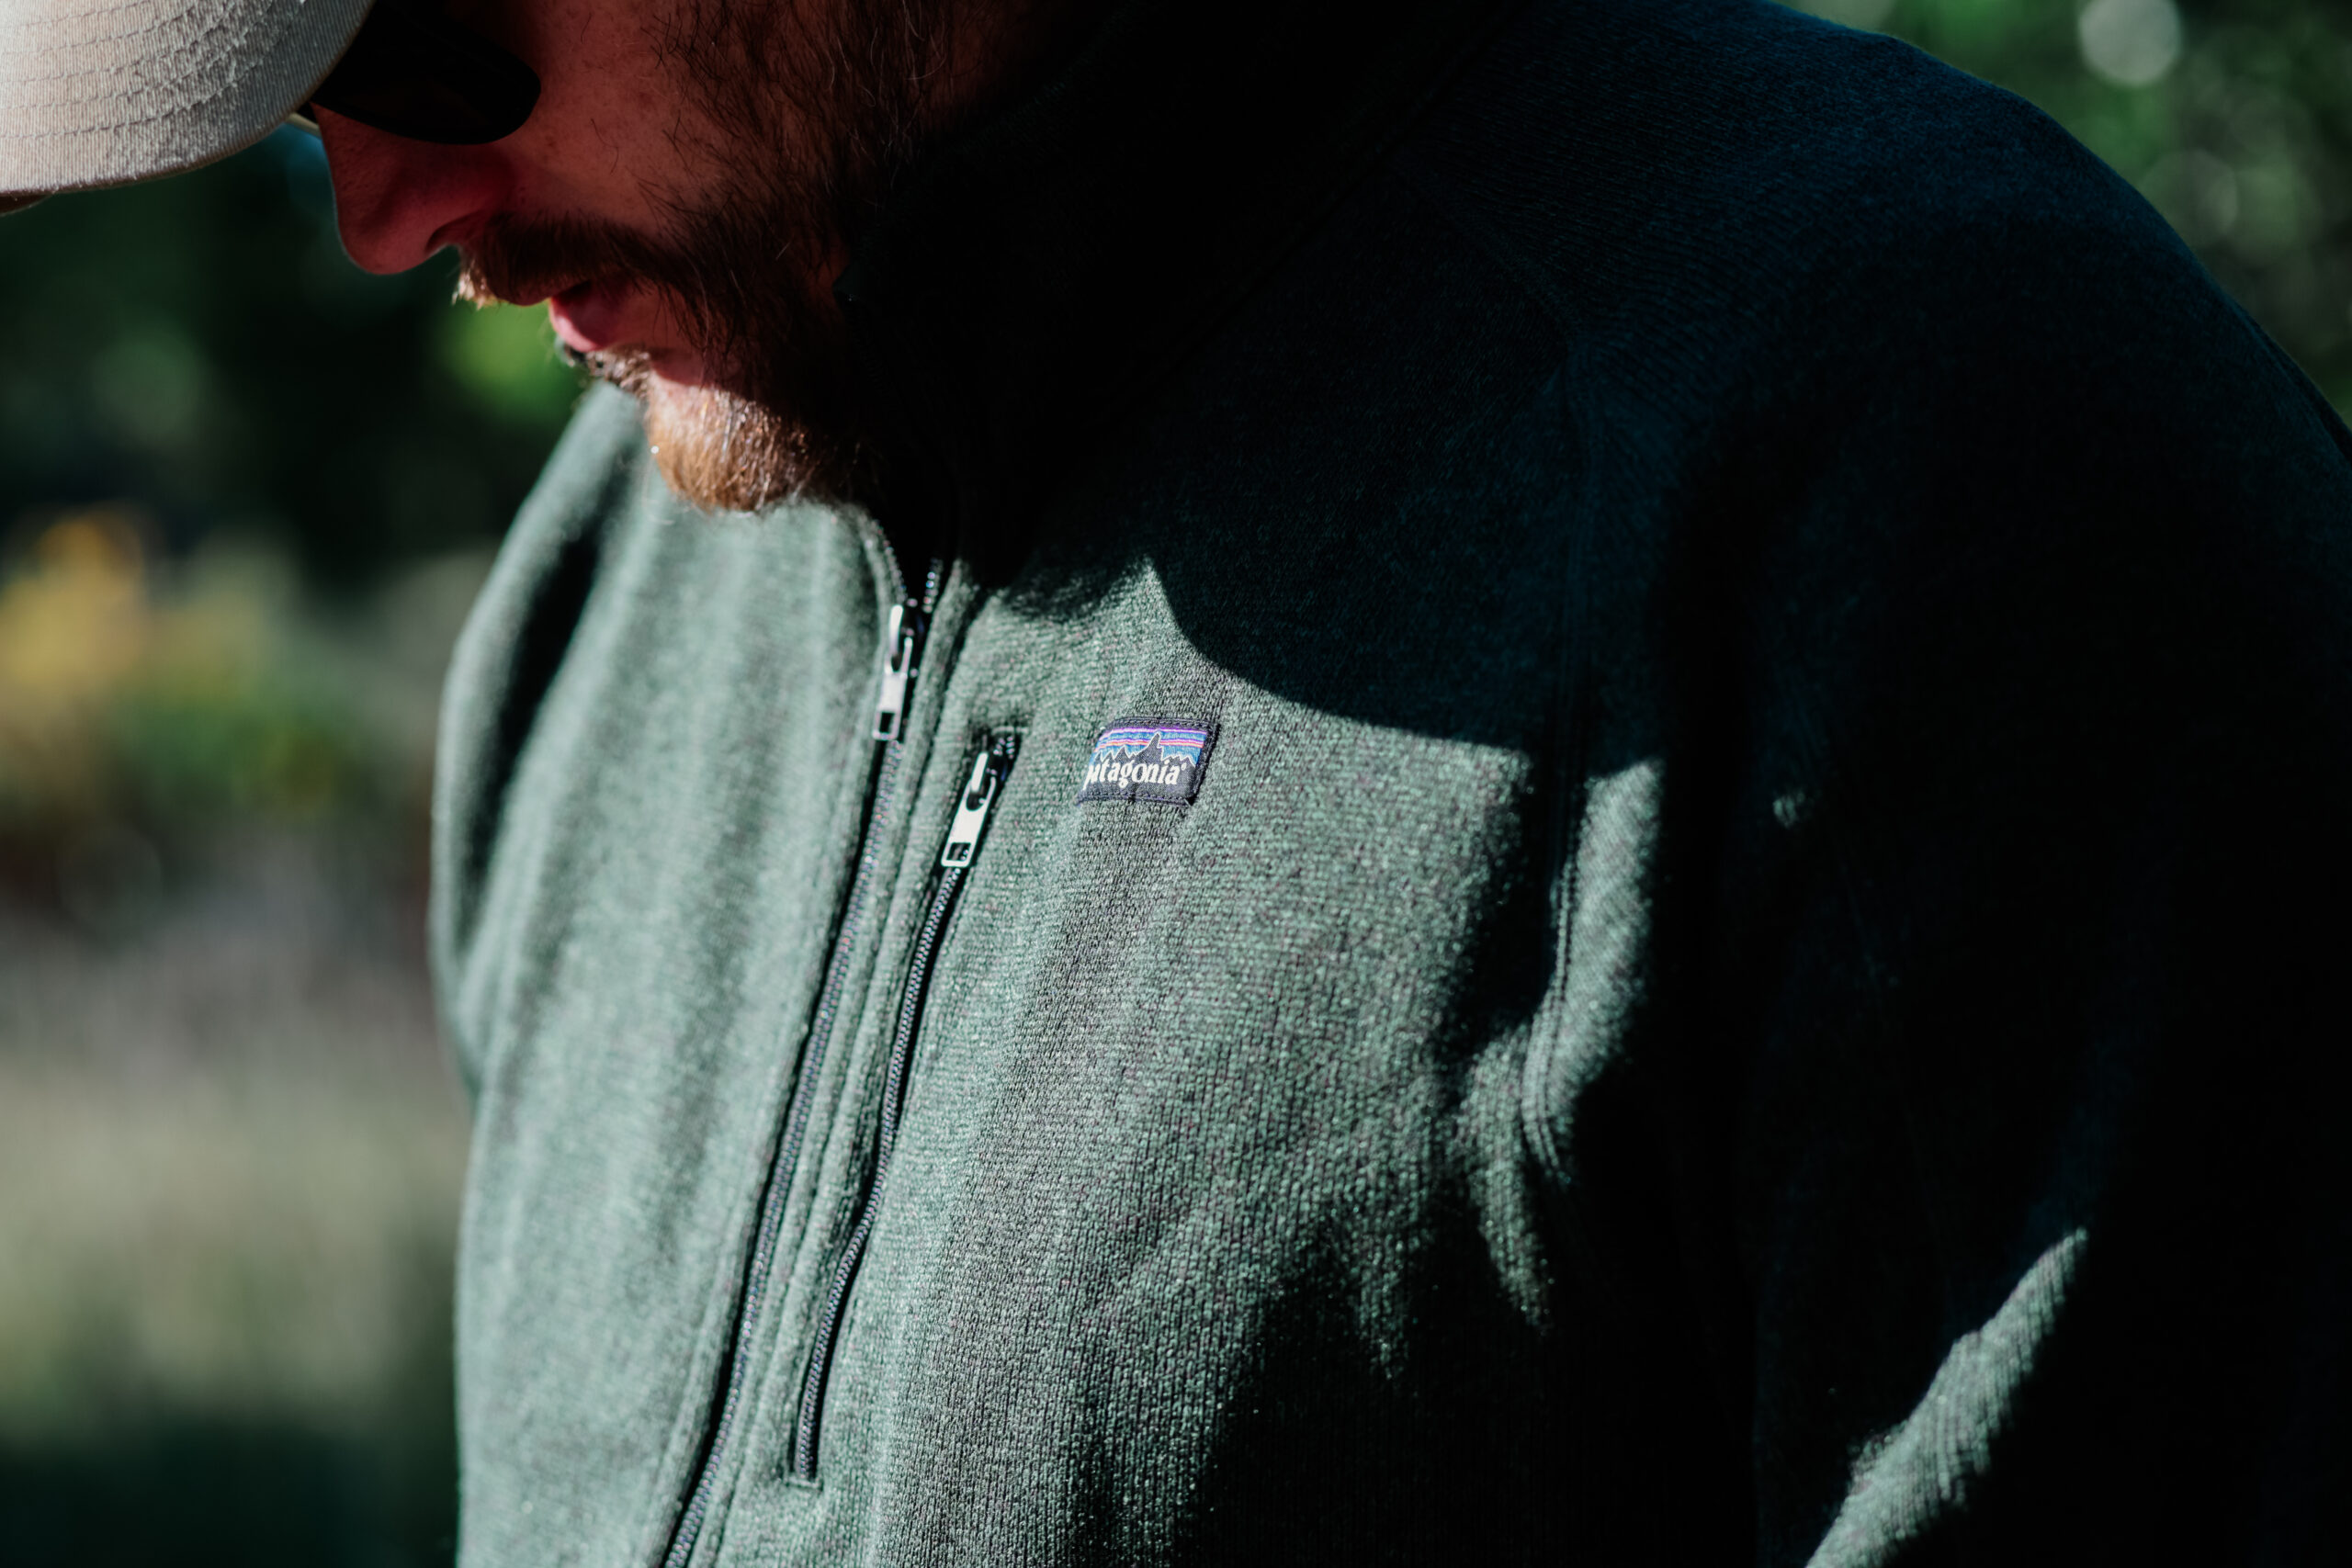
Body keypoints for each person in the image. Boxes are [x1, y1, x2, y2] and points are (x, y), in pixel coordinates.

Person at [8, 0, 2350, 1560]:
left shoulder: (1938, 465)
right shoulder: (596, 598)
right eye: (301, 101)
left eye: (419, 34)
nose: (386, 210)